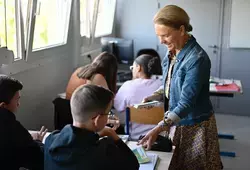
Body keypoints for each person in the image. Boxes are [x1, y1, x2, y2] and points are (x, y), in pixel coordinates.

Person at [138, 5, 222, 170]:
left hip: (195, 127)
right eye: (159, 36)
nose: (161, 41)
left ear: (182, 30)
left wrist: (159, 127)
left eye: (166, 35)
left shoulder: (197, 59)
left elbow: (186, 102)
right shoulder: (172, 52)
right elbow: (170, 83)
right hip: (176, 122)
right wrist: (155, 95)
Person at [44, 84, 139, 170]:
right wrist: (113, 134)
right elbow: (133, 165)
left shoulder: (50, 140)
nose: (108, 116)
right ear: (97, 119)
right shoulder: (105, 151)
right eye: (108, 113)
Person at [0, 75, 47, 170]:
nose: (18, 104)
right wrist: (37, 142)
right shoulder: (12, 129)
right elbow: (38, 159)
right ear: (3, 106)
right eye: (17, 100)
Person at [114, 54, 162, 140]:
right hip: (159, 137)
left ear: (138, 67)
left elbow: (118, 107)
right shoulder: (162, 85)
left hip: (135, 138)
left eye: (133, 67)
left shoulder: (127, 85)